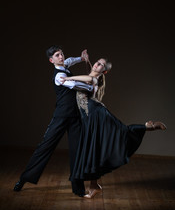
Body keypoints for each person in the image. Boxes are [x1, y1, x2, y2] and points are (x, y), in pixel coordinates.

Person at [61, 57, 167, 198]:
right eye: (97, 62)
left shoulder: (92, 80)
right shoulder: (92, 76)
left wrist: (67, 78)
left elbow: (88, 77)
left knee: (120, 133)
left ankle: (147, 127)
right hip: (90, 118)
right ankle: (94, 186)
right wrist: (87, 62)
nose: (97, 65)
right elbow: (90, 73)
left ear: (104, 71)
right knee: (95, 149)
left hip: (97, 115)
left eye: (101, 65)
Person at [13, 45, 94, 197]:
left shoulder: (65, 65)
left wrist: (82, 58)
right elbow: (76, 85)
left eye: (61, 53)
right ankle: (24, 179)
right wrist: (90, 85)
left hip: (75, 116)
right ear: (52, 60)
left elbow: (70, 60)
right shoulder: (59, 76)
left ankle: (79, 189)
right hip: (61, 116)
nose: (61, 56)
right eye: (57, 55)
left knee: (77, 151)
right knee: (45, 147)